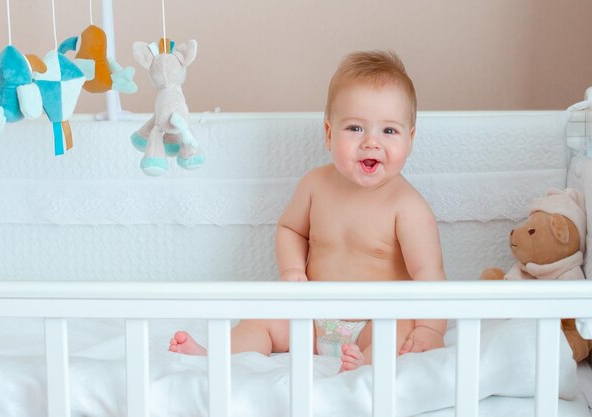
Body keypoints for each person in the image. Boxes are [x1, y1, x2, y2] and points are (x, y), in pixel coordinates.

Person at [169, 50, 447, 371]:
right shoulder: (315, 185)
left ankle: (364, 364)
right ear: (329, 133)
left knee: (400, 328)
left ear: (410, 139)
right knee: (262, 317)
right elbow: (291, 230)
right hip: (312, 319)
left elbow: (429, 274)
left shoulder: (408, 207)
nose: (372, 142)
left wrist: (430, 328)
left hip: (374, 322)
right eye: (355, 128)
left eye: (389, 131)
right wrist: (291, 271)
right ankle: (215, 354)